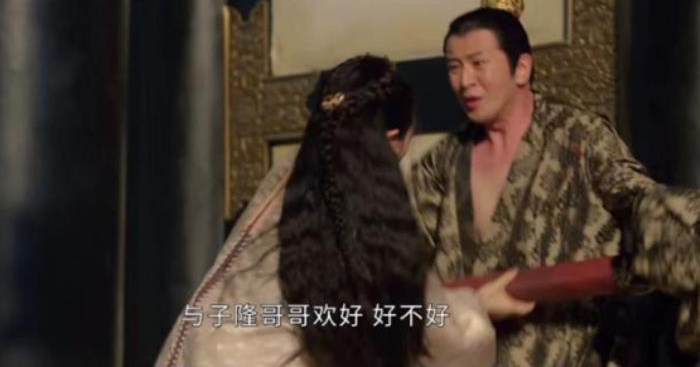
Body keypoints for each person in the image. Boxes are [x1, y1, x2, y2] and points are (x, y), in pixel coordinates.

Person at [154, 55, 532, 367]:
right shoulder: (375, 230)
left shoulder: (279, 202)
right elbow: (460, 339)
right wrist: (477, 309)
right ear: (394, 140)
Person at [411, 0, 700, 366]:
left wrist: (683, 229)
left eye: (478, 63)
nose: (465, 81)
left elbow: (638, 199)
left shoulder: (579, 137)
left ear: (521, 68)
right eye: (454, 67)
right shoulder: (440, 163)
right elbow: (397, 280)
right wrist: (466, 308)